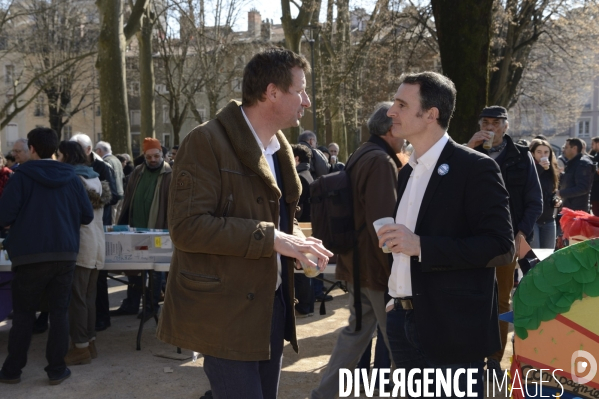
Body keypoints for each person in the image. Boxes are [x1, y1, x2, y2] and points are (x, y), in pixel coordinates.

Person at [156, 47, 333, 399]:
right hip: (225, 312)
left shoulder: (279, 148)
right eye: (300, 90)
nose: (307, 101)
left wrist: (298, 242)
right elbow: (187, 227)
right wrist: (274, 240)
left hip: (270, 307)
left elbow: (275, 219)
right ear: (272, 92)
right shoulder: (206, 141)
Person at [378, 72, 514, 398]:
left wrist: (422, 246)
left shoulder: (475, 167)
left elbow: (500, 246)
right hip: (402, 321)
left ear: (431, 114)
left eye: (401, 104)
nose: (390, 112)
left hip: (452, 329)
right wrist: (397, 296)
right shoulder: (407, 171)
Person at [311, 102, 403, 399]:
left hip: (359, 266)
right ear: (391, 128)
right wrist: (396, 275)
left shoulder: (363, 153)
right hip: (377, 271)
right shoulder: (379, 161)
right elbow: (384, 226)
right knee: (400, 341)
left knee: (356, 334)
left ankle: (323, 395)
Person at [0, 127, 94, 385]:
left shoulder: (21, 177)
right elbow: (87, 216)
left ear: (31, 148)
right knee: (59, 312)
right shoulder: (72, 178)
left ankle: (12, 370)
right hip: (64, 253)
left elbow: (4, 216)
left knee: (23, 314)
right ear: (54, 149)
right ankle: (56, 368)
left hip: (29, 255)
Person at [466, 105, 542, 375]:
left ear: (506, 126)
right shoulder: (468, 152)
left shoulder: (522, 155)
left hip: (507, 242)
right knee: (471, 297)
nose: (490, 128)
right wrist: (470, 148)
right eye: (485, 122)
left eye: (496, 123)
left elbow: (535, 201)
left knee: (500, 301)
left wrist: (520, 234)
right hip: (471, 240)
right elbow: (449, 186)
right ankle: (473, 356)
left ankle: (494, 360)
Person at [57, 141, 110, 366]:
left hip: (82, 243)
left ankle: (80, 348)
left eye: (59, 155)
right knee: (88, 297)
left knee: (78, 299)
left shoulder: (73, 179)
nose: (57, 159)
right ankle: (89, 343)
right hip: (97, 243)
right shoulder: (94, 177)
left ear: (67, 155)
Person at [111, 137, 172, 320]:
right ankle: (131, 303)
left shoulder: (171, 174)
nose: (153, 160)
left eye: (156, 156)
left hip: (160, 231)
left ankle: (151, 307)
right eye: (149, 157)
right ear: (144, 156)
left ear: (162, 154)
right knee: (133, 267)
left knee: (156, 271)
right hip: (136, 230)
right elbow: (127, 199)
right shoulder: (137, 172)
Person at [70, 133, 119, 332]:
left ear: (88, 150)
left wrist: (94, 206)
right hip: (94, 233)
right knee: (88, 291)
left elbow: (114, 196)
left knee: (88, 290)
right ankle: (88, 338)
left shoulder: (99, 169)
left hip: (93, 232)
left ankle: (93, 329)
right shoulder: (83, 174)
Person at [291, 144, 315, 318]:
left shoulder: (299, 178)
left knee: (300, 272)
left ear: (297, 159)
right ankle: (306, 305)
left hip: (302, 228)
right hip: (309, 228)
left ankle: (304, 306)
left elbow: (297, 208)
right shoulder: (309, 176)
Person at [530, 139, 561, 249]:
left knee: (548, 257)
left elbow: (553, 191)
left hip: (548, 219)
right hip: (533, 219)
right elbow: (528, 183)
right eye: (539, 152)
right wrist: (540, 168)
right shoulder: (528, 169)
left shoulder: (553, 170)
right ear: (532, 153)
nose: (543, 155)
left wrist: (557, 200)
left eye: (546, 152)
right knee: (535, 256)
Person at [557, 138, 594, 212]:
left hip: (577, 210)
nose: (563, 150)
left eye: (566, 147)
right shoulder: (572, 162)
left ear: (574, 148)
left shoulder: (583, 164)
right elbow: (570, 181)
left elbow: (582, 188)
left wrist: (560, 193)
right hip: (569, 207)